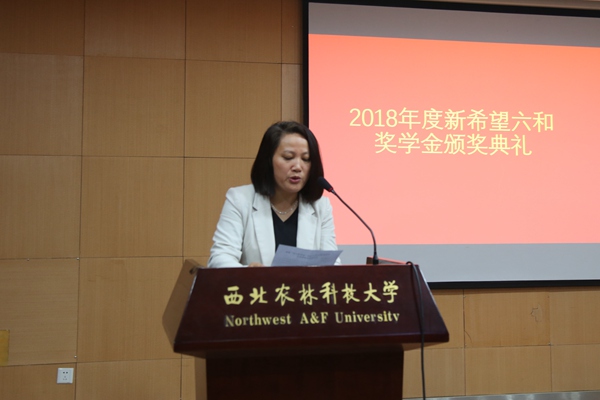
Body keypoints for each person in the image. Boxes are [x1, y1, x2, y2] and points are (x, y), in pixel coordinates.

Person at [208, 121, 340, 268]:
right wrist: (249, 273)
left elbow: (332, 264)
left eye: (306, 159)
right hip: (255, 283)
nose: (298, 167)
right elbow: (220, 258)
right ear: (268, 161)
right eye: (288, 157)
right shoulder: (240, 199)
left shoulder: (321, 206)